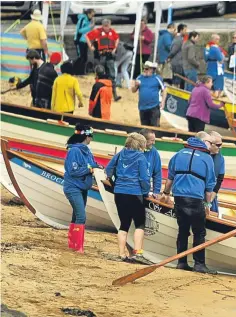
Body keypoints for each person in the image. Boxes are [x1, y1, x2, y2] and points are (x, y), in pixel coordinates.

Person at [161, 131, 217, 274]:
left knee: (183, 230)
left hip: (179, 197)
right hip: (195, 199)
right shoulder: (207, 158)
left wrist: (166, 194)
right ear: (203, 142)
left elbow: (170, 179)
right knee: (199, 232)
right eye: (210, 143)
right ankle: (199, 264)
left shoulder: (179, 154)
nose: (211, 146)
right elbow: (209, 187)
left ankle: (181, 262)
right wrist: (208, 205)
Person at [106, 133, 153, 264]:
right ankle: (137, 253)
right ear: (141, 145)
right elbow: (144, 179)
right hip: (134, 193)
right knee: (139, 223)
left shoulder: (120, 154)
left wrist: (114, 184)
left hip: (119, 193)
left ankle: (121, 254)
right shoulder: (141, 157)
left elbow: (109, 169)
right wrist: (145, 192)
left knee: (124, 224)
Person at [64, 124, 100, 253]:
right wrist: (90, 169)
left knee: (76, 215)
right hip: (73, 187)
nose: (91, 140)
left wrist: (98, 168)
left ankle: (73, 244)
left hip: (82, 187)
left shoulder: (87, 151)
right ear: (86, 137)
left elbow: (93, 164)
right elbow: (73, 171)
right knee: (81, 216)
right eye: (91, 137)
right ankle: (78, 247)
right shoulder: (74, 151)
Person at [86, 19, 121, 101]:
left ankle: (114, 94)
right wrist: (91, 46)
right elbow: (87, 36)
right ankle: (97, 93)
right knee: (100, 74)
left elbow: (117, 38)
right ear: (102, 25)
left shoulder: (112, 32)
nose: (106, 27)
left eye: (108, 25)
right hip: (100, 55)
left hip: (109, 55)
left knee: (112, 75)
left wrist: (115, 48)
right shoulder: (98, 31)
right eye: (105, 25)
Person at [132, 61, 167, 127]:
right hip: (142, 108)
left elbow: (164, 89)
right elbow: (133, 90)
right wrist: (136, 85)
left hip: (154, 107)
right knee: (144, 129)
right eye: (144, 68)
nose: (144, 70)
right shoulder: (139, 78)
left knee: (155, 128)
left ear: (152, 69)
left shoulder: (157, 78)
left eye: (147, 69)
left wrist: (163, 102)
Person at [139, 129, 162, 199]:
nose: (154, 143)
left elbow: (157, 173)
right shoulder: (133, 149)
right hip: (132, 189)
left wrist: (156, 191)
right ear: (144, 140)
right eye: (152, 140)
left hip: (144, 192)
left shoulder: (154, 152)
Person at [74, 9, 95, 75]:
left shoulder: (88, 20)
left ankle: (82, 71)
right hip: (79, 40)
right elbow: (79, 30)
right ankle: (77, 71)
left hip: (85, 40)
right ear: (88, 14)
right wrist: (90, 27)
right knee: (81, 57)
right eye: (92, 15)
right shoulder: (82, 19)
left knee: (85, 57)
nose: (92, 17)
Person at [205, 34, 226, 98]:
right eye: (217, 39)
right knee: (217, 91)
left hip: (209, 69)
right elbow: (221, 58)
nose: (218, 41)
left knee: (209, 87)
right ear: (214, 39)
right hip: (217, 71)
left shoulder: (207, 47)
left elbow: (205, 58)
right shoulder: (215, 48)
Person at [167, 23, 187, 88]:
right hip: (177, 63)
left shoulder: (179, 38)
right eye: (185, 30)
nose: (186, 32)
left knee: (179, 79)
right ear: (181, 30)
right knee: (177, 80)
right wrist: (169, 57)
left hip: (179, 62)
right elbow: (173, 51)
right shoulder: (178, 39)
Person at [209, 131, 225, 213]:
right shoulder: (201, 156)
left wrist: (210, 199)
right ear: (210, 144)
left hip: (211, 194)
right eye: (218, 145)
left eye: (221, 145)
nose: (220, 147)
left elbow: (219, 180)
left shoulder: (221, 159)